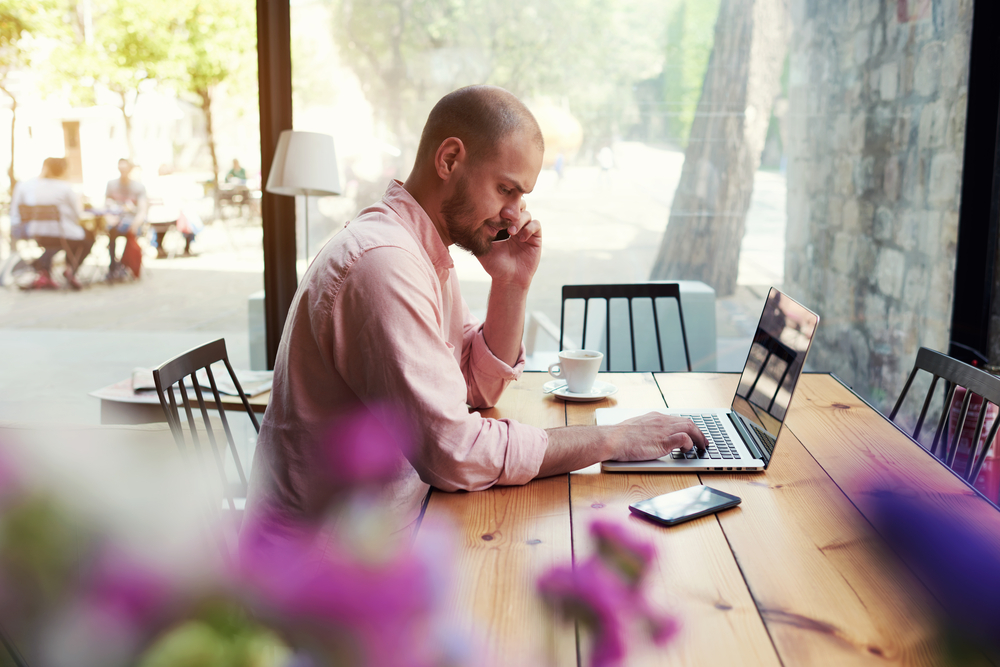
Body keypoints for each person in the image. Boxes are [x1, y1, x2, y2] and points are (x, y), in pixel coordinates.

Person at [244, 86, 706, 536]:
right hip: (318, 578)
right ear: (448, 160)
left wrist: (510, 284)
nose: (514, 214)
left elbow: (473, 386)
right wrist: (613, 439)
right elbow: (454, 450)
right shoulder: (385, 264)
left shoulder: (420, 253)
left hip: (387, 535)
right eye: (506, 189)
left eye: (522, 197)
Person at [9, 157, 94, 290]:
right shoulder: (66, 188)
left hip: (38, 233)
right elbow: (78, 215)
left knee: (64, 240)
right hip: (61, 234)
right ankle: (70, 269)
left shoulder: (36, 187)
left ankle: (43, 269)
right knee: (88, 237)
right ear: (64, 170)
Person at [104, 158, 148, 280]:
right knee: (111, 230)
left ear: (130, 169)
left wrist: (135, 224)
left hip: (131, 223)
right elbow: (106, 207)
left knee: (127, 229)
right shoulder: (111, 184)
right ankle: (113, 266)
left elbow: (142, 211)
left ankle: (123, 266)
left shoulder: (139, 187)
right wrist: (109, 218)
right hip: (115, 222)